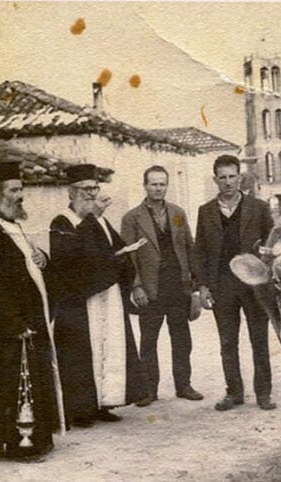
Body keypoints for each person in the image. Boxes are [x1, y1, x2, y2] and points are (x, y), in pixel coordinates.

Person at [0, 161, 63, 461]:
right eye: (13, 190)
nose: (20, 195)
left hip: (23, 323)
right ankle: (20, 446)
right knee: (13, 384)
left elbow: (23, 267)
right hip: (8, 328)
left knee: (25, 381)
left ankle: (29, 440)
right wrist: (14, 322)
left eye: (21, 189)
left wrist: (42, 259)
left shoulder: (12, 226)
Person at [49, 164, 148, 426]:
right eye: (86, 189)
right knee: (82, 354)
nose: (92, 194)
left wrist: (124, 256)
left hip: (107, 294)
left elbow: (116, 249)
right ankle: (81, 409)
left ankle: (104, 402)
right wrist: (91, 224)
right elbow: (69, 261)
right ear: (71, 192)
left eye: (95, 188)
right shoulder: (62, 222)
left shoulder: (100, 219)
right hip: (81, 300)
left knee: (110, 348)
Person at [195, 155, 277, 411]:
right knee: (228, 342)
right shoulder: (205, 211)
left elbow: (272, 246)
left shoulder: (259, 208)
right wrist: (203, 286)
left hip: (254, 286)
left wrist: (268, 278)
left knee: (259, 340)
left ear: (240, 177)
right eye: (223, 177)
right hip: (223, 285)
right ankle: (234, 393)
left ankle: (263, 393)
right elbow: (200, 251)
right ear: (215, 180)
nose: (228, 182)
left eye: (232, 176)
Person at [120, 165, 204, 407]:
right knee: (149, 340)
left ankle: (184, 385)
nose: (158, 188)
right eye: (153, 184)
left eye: (162, 184)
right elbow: (129, 257)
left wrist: (195, 285)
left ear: (167, 185)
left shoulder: (177, 213)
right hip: (151, 288)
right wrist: (136, 287)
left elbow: (189, 246)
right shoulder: (132, 218)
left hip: (178, 285)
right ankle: (149, 390)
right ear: (145, 186)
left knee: (181, 338)